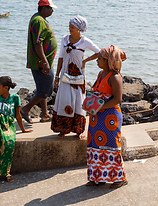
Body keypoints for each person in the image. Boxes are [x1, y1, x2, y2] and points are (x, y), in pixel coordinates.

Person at [51, 15, 100, 139]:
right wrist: (57, 76)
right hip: (65, 76)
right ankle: (63, 129)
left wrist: (86, 61)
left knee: (78, 100)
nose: (69, 29)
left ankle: (79, 131)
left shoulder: (85, 41)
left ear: (79, 29)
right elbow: (61, 57)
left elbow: (99, 52)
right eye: (69, 26)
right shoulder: (64, 39)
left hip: (78, 76)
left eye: (72, 27)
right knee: (64, 99)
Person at [86, 45, 127, 188]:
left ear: (108, 60)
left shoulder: (115, 77)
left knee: (111, 146)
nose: (96, 60)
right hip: (97, 116)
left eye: (99, 58)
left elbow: (117, 99)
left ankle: (119, 178)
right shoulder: (101, 74)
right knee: (95, 145)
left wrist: (100, 107)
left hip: (110, 117)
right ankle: (98, 177)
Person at [21, 0, 58, 124]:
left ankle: (45, 114)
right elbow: (38, 43)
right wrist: (45, 62)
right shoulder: (38, 21)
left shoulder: (40, 19)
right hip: (41, 62)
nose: (52, 11)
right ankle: (26, 109)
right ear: (44, 8)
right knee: (47, 89)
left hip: (43, 61)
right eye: (50, 8)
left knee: (42, 88)